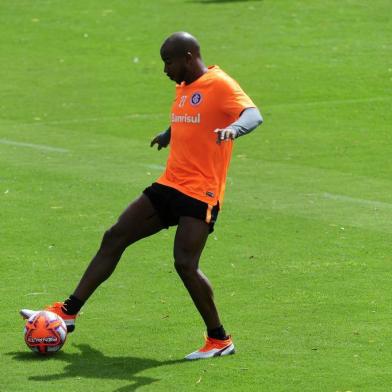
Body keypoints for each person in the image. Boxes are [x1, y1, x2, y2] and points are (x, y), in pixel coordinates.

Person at [21, 32, 263, 360]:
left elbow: (252, 114)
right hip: (170, 185)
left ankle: (219, 339)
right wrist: (169, 134)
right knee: (115, 236)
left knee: (185, 264)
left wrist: (235, 129)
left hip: (199, 193)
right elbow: (193, 119)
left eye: (169, 62)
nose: (165, 69)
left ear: (189, 57)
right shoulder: (183, 88)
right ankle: (68, 311)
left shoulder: (219, 83)